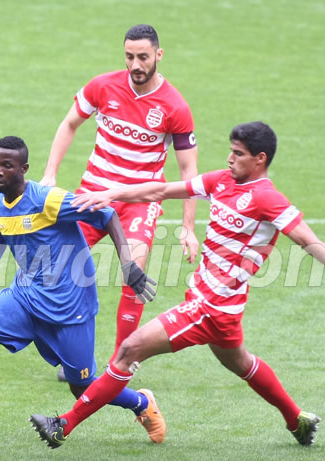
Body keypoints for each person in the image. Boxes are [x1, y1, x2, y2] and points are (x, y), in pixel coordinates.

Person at [30, 122, 325, 448]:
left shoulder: (266, 198)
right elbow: (164, 189)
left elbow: (312, 243)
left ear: (260, 159)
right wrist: (113, 193)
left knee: (129, 350)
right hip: (220, 309)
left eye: (238, 154)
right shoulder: (221, 180)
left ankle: (63, 425)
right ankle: (296, 420)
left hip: (211, 308)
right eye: (230, 151)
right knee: (243, 363)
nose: (229, 158)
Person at [0, 136, 166, 443]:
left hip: (70, 309)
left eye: (7, 166)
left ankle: (142, 403)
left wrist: (127, 263)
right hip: (25, 299)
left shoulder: (49, 201)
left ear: (24, 169)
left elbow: (106, 213)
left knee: (82, 387)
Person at [41, 24, 199, 380]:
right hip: (93, 194)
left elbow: (189, 172)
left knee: (134, 274)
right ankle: (74, 356)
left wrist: (188, 227)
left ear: (159, 54)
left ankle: (120, 361)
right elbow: (69, 124)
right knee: (58, 269)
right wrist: (50, 173)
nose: (135, 64)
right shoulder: (102, 86)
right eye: (129, 56)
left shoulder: (175, 107)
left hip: (140, 203)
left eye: (143, 56)